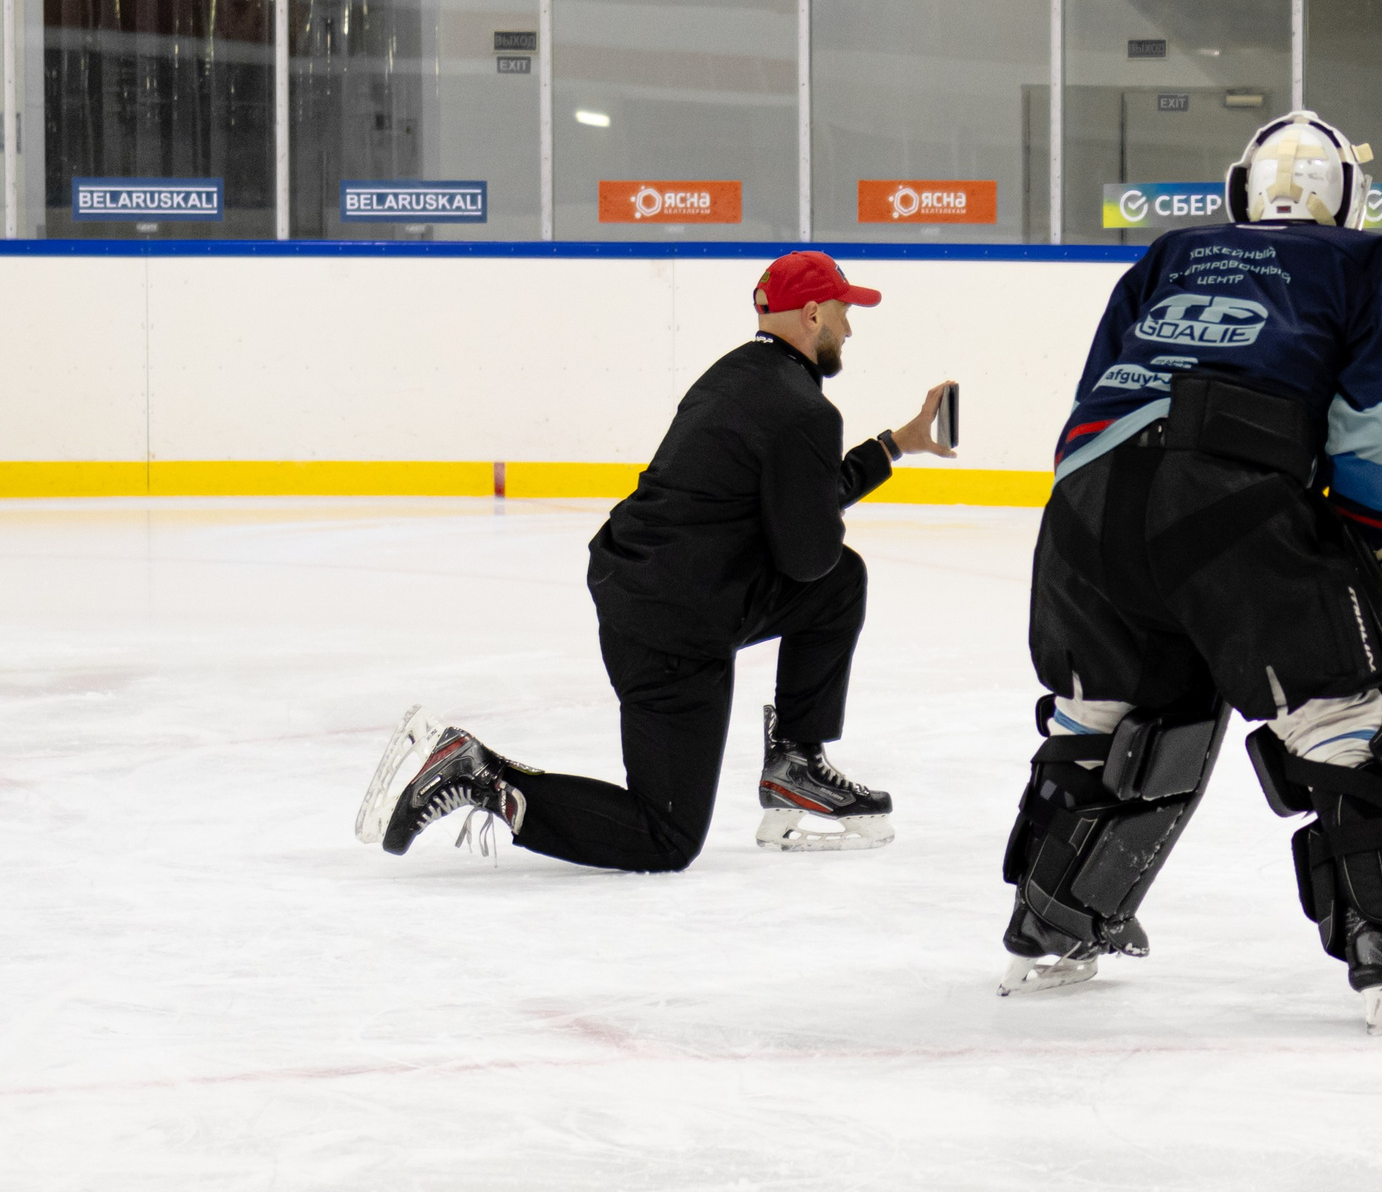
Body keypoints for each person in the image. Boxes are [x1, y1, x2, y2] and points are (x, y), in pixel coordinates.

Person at [995, 109, 1382, 1035]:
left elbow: (1101, 384)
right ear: (1349, 200)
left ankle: (1049, 924)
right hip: (1228, 493)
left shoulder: (1170, 253)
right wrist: (1375, 546)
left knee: (1109, 708)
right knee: (1347, 711)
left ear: (1237, 189)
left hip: (1086, 497)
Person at [354, 250, 957, 872]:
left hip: (653, 583)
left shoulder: (737, 375)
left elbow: (796, 500)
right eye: (843, 312)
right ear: (810, 316)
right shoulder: (805, 410)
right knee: (664, 836)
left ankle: (796, 766)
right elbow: (806, 555)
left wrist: (894, 446)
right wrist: (820, 526)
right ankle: (479, 774)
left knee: (841, 581)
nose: (850, 328)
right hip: (673, 623)